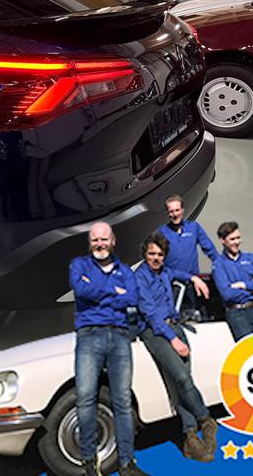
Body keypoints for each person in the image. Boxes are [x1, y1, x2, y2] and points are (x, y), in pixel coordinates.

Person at [70, 221, 148, 476]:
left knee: (123, 401)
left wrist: (99, 292)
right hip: (89, 336)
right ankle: (89, 464)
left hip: (120, 337)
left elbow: (132, 298)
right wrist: (115, 292)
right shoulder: (78, 265)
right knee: (85, 398)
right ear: (89, 242)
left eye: (104, 239)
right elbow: (81, 290)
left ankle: (127, 464)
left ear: (113, 241)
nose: (100, 244)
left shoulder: (125, 270)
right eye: (95, 240)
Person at [136, 232, 217, 462]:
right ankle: (206, 420)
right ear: (145, 254)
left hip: (175, 325)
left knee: (183, 381)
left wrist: (195, 279)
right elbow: (151, 315)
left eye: (160, 254)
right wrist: (174, 339)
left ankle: (189, 437)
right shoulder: (139, 278)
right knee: (181, 378)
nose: (156, 258)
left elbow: (179, 274)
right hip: (156, 332)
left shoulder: (166, 272)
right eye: (152, 254)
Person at [212, 222, 253, 340]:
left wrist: (244, 285)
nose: (237, 242)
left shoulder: (252, 259)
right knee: (248, 348)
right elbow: (227, 293)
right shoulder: (219, 264)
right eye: (232, 239)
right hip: (237, 313)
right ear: (222, 240)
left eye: (238, 238)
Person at [158, 196, 216, 309]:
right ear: (167, 213)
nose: (175, 214)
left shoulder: (194, 228)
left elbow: (210, 249)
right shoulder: (162, 232)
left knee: (193, 311)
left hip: (192, 282)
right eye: (171, 211)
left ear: (182, 210)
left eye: (177, 210)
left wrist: (222, 266)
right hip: (172, 283)